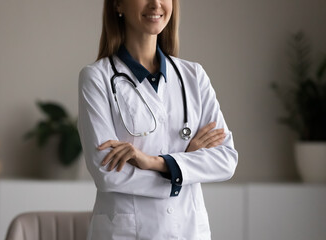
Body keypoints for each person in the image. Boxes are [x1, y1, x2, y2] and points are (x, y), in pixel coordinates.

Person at [77, 0, 238, 239]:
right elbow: (108, 173)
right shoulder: (97, 78)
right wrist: (185, 164)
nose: (156, 3)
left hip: (188, 229)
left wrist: (155, 163)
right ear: (118, 5)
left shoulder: (193, 76)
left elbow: (226, 159)